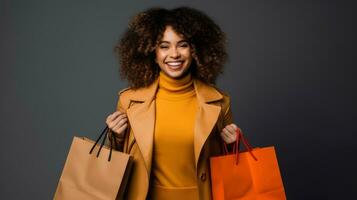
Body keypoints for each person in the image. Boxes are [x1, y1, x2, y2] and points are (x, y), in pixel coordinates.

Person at [105, 6, 239, 200]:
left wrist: (232, 145)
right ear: (152, 51)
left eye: (183, 45)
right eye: (164, 46)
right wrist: (116, 137)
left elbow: (228, 169)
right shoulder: (129, 100)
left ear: (196, 51)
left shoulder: (219, 102)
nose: (174, 54)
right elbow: (116, 164)